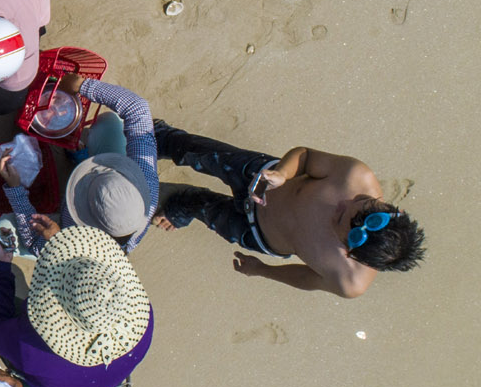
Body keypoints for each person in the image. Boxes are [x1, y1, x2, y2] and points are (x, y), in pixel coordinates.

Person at [153, 122, 425, 297]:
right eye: (356, 203)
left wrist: (264, 270)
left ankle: (184, 204)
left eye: (338, 219)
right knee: (197, 153)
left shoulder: (348, 280)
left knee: (207, 211)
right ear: (390, 207)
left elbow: (308, 278)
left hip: (256, 233)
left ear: (352, 254)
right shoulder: (354, 176)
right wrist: (283, 173)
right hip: (264, 179)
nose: (341, 205)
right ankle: (161, 137)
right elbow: (305, 157)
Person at [0, 225, 152, 387]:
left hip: (47, 384)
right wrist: (61, 241)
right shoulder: (142, 320)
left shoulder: (29, 349)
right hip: (102, 385)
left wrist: (0, 266)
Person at [0, 74, 159, 254]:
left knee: (0, 229)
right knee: (109, 121)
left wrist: (16, 189)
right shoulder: (147, 188)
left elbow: (35, 243)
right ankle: (82, 157)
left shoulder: (74, 247)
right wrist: (83, 85)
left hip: (62, 238)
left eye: (86, 181)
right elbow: (137, 108)